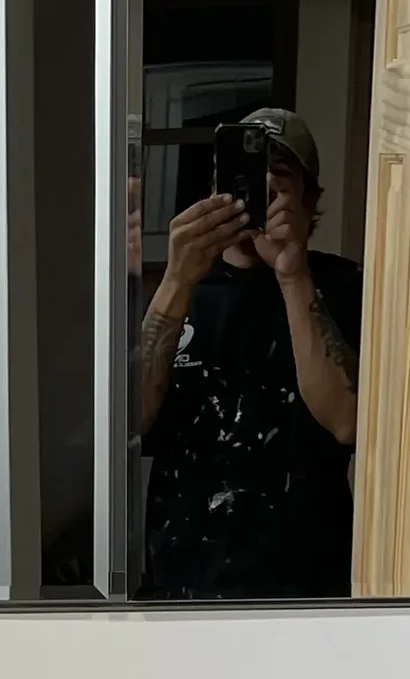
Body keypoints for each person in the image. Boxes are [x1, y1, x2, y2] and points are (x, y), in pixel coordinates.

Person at [137, 108, 359, 601]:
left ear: (310, 201)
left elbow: (347, 422)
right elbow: (130, 422)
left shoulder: (342, 286)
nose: (257, 193)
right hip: (182, 588)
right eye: (242, 178)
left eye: (277, 179)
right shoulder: (180, 291)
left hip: (306, 591)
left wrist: (292, 274)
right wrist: (177, 279)